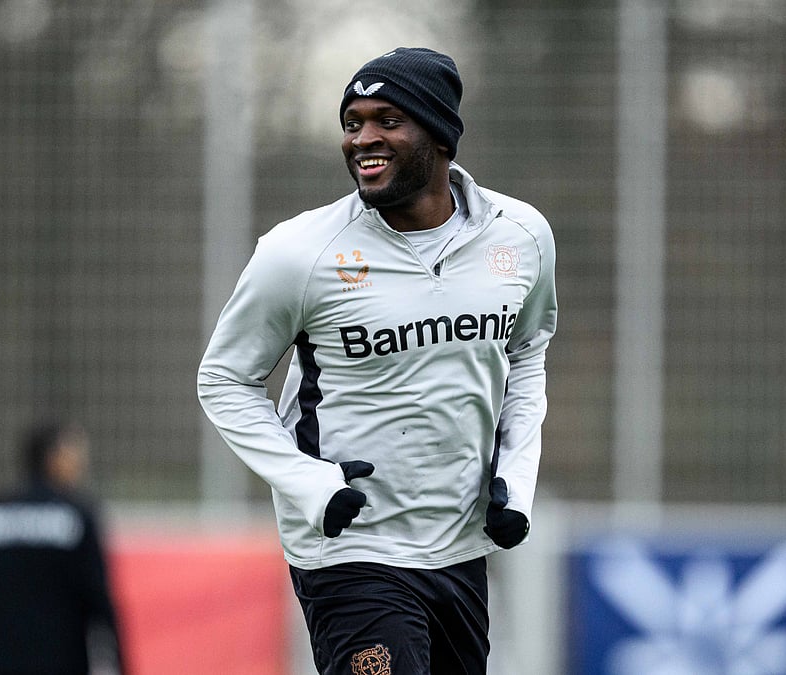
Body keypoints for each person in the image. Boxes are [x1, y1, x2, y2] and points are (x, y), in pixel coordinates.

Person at [198, 47, 557, 674]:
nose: (363, 138)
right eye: (352, 122)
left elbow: (526, 352)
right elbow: (225, 379)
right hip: (349, 548)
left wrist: (515, 482)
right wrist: (313, 485)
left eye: (388, 120)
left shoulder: (522, 235)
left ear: (440, 132)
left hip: (460, 547)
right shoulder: (298, 252)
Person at [0, 421, 125, 675]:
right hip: (65, 663)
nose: (80, 462)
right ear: (52, 457)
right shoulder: (76, 514)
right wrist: (120, 663)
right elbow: (99, 600)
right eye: (73, 452)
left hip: (4, 664)